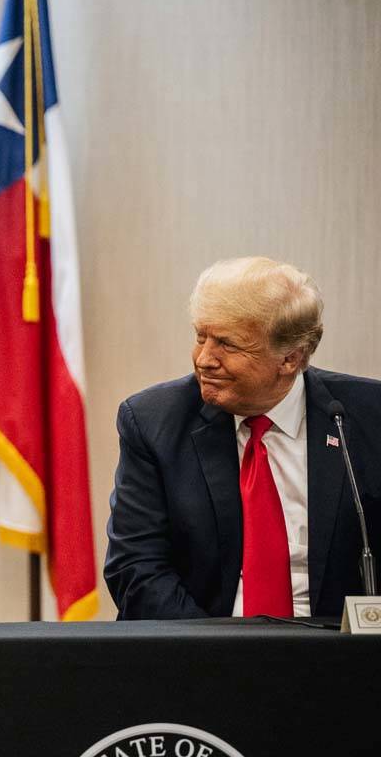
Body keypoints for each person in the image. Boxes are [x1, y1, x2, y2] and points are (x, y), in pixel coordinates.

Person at [105, 256, 381, 619]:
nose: (204, 359)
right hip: (201, 641)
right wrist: (218, 650)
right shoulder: (152, 422)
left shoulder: (366, 417)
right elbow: (136, 568)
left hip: (337, 645)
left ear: (290, 358)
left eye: (228, 345)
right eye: (200, 337)